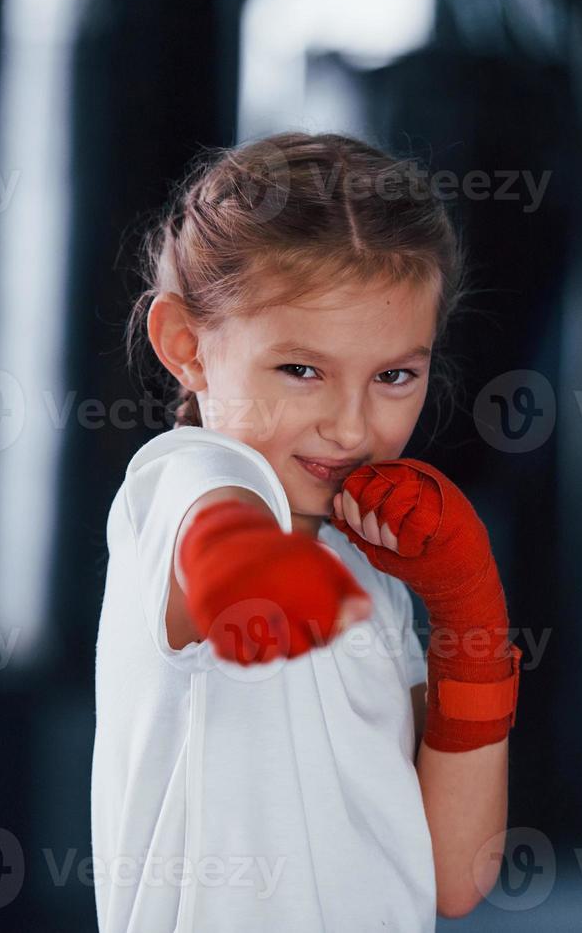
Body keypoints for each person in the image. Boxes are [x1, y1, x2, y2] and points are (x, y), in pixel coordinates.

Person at [91, 132, 521, 931]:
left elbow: (456, 878)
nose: (351, 426)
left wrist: (471, 620)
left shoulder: (369, 572)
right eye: (301, 370)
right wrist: (247, 571)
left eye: (394, 376)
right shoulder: (184, 481)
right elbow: (214, 529)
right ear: (187, 346)